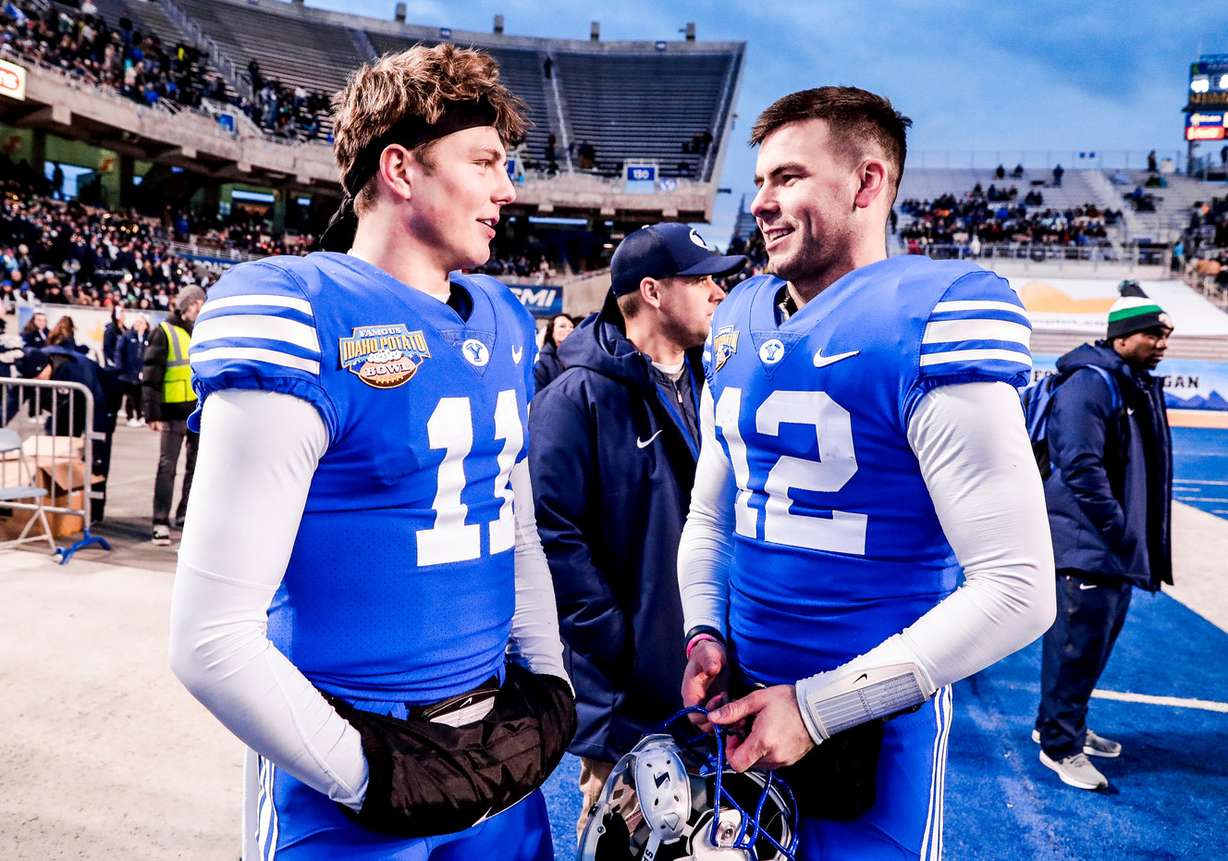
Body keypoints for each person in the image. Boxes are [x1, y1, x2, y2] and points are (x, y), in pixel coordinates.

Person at [168, 44, 572, 860]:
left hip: (496, 754)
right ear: (400, 169)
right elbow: (209, 639)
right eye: (485, 160)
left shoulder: (500, 318)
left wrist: (549, 677)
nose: (508, 187)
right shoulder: (298, 312)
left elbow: (513, 523)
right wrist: (376, 776)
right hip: (348, 767)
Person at [675, 86, 1055, 859]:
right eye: (758, 183)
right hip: (745, 706)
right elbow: (713, 515)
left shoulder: (934, 315)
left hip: (868, 726)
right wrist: (703, 629)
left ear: (867, 182)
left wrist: (815, 710)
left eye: (788, 178)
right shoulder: (739, 319)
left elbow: (1019, 586)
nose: (761, 203)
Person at [530, 223, 744, 839]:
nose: (717, 291)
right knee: (629, 846)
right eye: (701, 278)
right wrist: (619, 643)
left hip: (711, 683)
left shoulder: (714, 386)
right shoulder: (575, 398)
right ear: (651, 291)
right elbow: (552, 536)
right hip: (630, 699)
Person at [1033, 291, 1173, 791]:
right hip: (1087, 546)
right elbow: (1080, 465)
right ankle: (1059, 746)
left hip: (1107, 547)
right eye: (1153, 334)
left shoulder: (1123, 382)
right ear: (1121, 337)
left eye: (1167, 335)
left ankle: (1063, 723)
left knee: (1090, 650)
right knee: (1075, 648)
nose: (1162, 343)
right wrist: (1118, 529)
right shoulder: (1091, 384)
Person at [142, 285, 204, 545]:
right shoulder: (164, 331)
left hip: (196, 411)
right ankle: (160, 522)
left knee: (195, 467)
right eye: (197, 305)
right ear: (186, 304)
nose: (200, 310)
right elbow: (151, 375)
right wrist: (151, 413)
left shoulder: (199, 332)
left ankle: (185, 515)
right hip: (170, 413)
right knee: (167, 466)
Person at [115, 313, 149, 426]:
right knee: (130, 395)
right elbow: (119, 352)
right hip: (128, 372)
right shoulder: (128, 336)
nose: (138, 325)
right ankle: (130, 417)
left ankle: (140, 416)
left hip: (141, 372)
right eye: (136, 322)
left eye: (141, 322)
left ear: (146, 325)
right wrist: (120, 367)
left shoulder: (148, 337)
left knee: (140, 396)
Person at [532, 312, 575, 392]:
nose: (569, 330)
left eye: (572, 327)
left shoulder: (577, 358)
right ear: (552, 332)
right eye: (562, 326)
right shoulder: (542, 360)